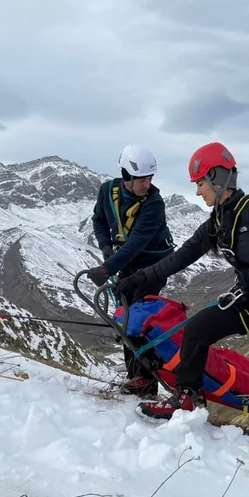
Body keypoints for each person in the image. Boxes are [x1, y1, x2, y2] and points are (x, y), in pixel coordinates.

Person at [114, 141, 249, 457]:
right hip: (247, 299)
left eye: (200, 184)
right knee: (197, 330)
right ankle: (186, 398)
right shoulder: (218, 220)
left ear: (219, 178)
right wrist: (137, 278)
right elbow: (181, 257)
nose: (197, 192)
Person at [86, 144, 175, 397]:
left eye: (150, 178)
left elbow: (137, 244)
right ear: (126, 176)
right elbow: (99, 219)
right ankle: (136, 376)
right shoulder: (108, 191)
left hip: (153, 263)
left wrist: (106, 269)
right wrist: (105, 245)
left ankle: (146, 381)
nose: (147, 184)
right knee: (125, 314)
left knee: (137, 315)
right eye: (141, 179)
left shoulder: (154, 204)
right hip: (127, 261)